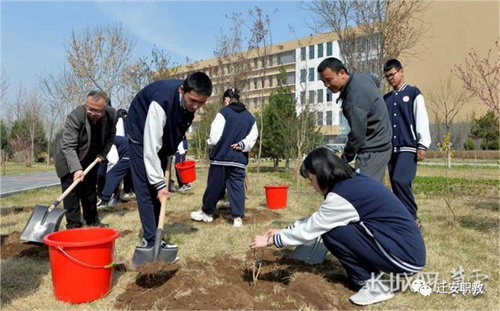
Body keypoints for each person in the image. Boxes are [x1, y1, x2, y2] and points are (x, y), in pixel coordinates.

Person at [250, 147, 426, 306]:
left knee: (332, 233)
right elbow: (318, 219)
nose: (312, 186)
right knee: (331, 227)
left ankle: (374, 285)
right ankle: (375, 278)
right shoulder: (353, 182)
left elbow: (312, 228)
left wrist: (272, 240)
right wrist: (283, 231)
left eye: (311, 179)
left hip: (405, 256)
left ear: (323, 174)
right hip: (405, 248)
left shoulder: (342, 196)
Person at [125, 72, 213, 247]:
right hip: (140, 134)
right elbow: (151, 145)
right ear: (182, 90)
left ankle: (157, 234)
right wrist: (159, 184)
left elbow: (175, 131)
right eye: (192, 101)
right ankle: (150, 240)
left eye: (201, 103)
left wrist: (169, 152)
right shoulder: (161, 100)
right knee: (146, 188)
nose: (196, 106)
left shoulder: (189, 106)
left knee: (158, 190)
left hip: (160, 139)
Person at [191, 88, 258, 227]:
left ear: (227, 99)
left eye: (224, 100)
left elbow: (215, 137)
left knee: (214, 187)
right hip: (239, 159)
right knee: (237, 187)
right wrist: (242, 144)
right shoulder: (250, 117)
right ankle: (237, 218)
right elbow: (252, 137)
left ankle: (207, 213)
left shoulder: (224, 113)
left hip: (221, 157)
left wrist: (210, 143)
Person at [318, 57, 392, 182]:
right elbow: (376, 81)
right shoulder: (361, 77)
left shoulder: (353, 100)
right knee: (371, 189)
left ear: (342, 73)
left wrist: (344, 159)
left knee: (364, 190)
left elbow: (357, 135)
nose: (327, 85)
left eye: (329, 80)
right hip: (382, 140)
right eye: (324, 82)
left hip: (374, 148)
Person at [54, 90, 116, 228]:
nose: (93, 113)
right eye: (90, 109)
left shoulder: (111, 115)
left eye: (97, 111)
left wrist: (103, 153)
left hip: (90, 156)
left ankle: (92, 220)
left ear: (105, 108)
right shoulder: (76, 116)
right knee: (72, 192)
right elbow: (68, 146)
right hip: (68, 156)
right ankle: (73, 225)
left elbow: (111, 135)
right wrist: (76, 169)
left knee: (89, 191)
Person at [383, 59, 431, 227]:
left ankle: (413, 218)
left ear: (401, 72)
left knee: (400, 180)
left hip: (408, 147)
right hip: (391, 149)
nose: (390, 79)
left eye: (392, 74)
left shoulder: (413, 93)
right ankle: (403, 221)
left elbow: (421, 118)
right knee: (397, 185)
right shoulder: (386, 99)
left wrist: (422, 144)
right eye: (387, 76)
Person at [96, 135, 130, 209]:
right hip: (126, 152)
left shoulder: (107, 142)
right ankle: (113, 196)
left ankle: (105, 200)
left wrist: (108, 176)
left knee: (112, 174)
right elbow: (100, 171)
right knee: (108, 174)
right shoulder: (102, 142)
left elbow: (113, 162)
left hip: (129, 153)